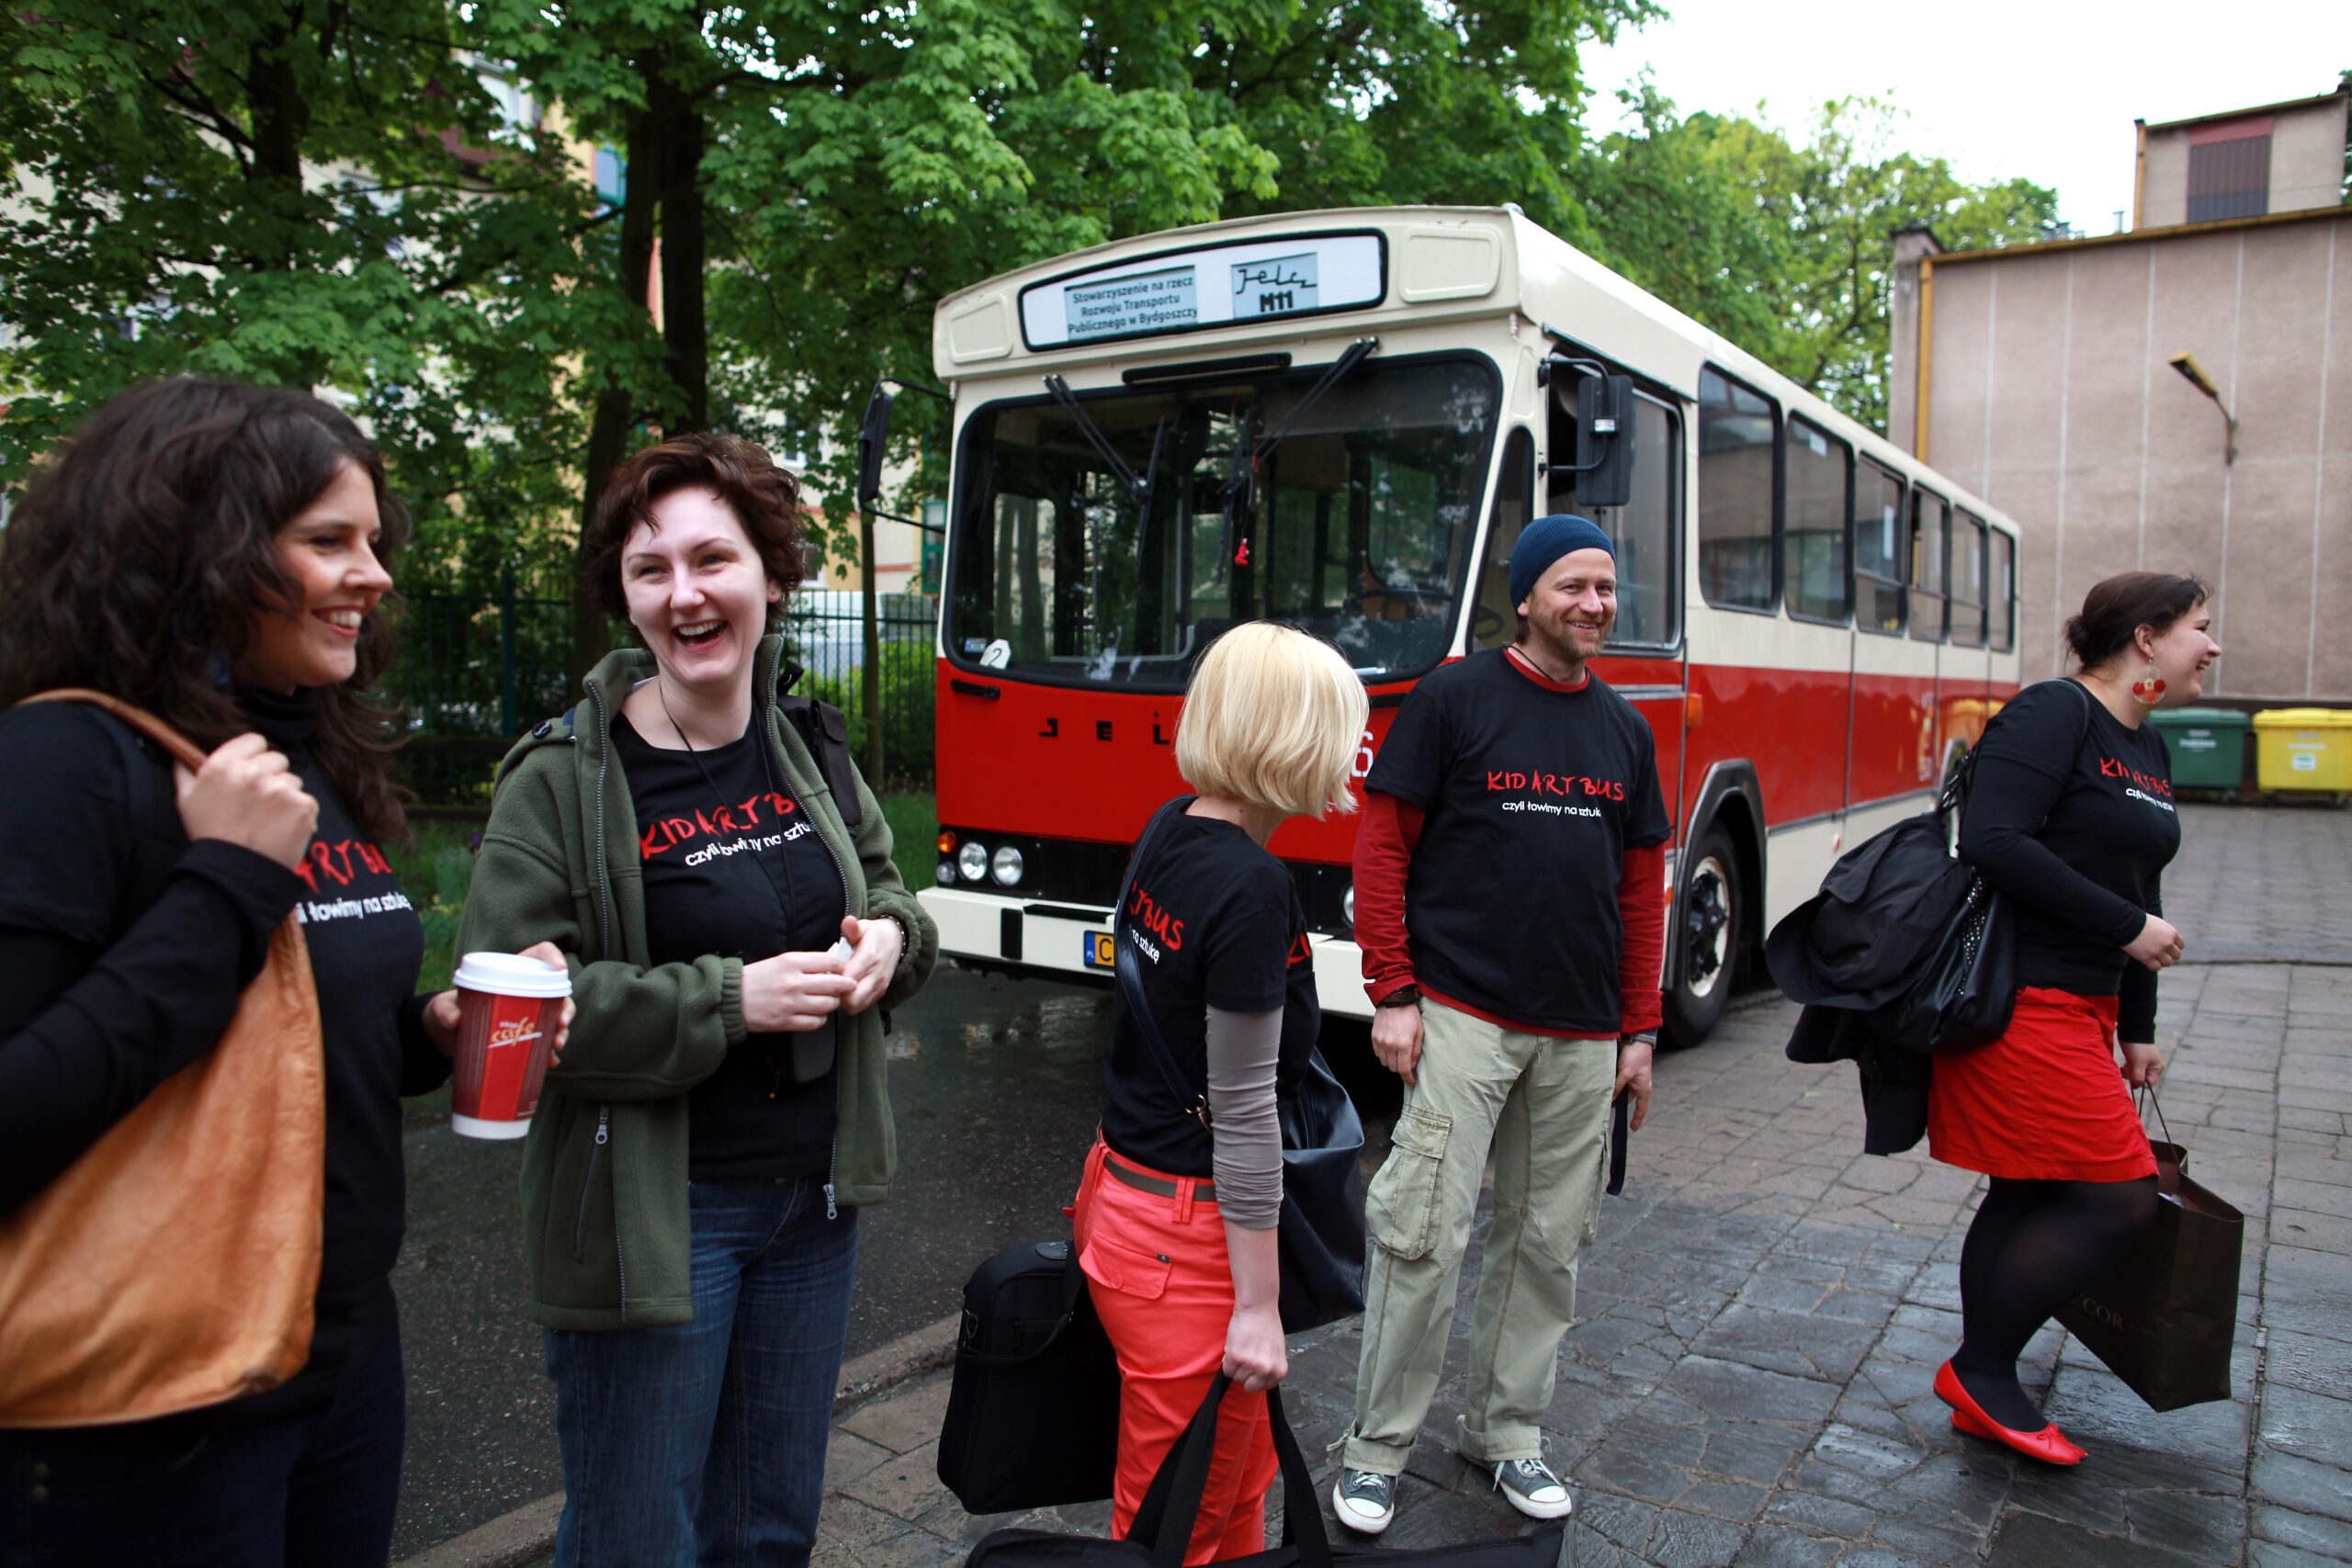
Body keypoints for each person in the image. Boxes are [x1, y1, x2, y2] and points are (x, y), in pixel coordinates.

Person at [0, 378, 569, 1565]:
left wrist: (428, 1030)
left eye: (373, 541)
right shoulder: (63, 760)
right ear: (196, 553)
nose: (376, 575)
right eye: (328, 541)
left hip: (339, 1354)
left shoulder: (303, 750)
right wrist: (223, 882)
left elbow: (283, 1036)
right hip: (149, 1401)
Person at [457, 433, 938, 1567]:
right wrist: (729, 1000)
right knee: (636, 1538)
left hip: (813, 1206)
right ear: (624, 598)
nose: (684, 594)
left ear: (773, 575)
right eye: (650, 569)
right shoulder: (559, 782)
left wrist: (887, 945)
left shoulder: (808, 744)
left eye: (712, 559)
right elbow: (510, 1010)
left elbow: (893, 900)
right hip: (658, 1214)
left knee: (768, 1532)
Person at [1333, 513, 1669, 1534]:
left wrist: (1640, 1030)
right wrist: (1393, 993)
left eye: (1604, 587)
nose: (1594, 605)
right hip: (1462, 1016)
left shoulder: (1624, 730)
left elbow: (1641, 891)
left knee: (1548, 1244)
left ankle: (1504, 1432)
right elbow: (1382, 847)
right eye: (1572, 586)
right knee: (1423, 1235)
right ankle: (1376, 1451)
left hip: (1582, 1033)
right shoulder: (1453, 698)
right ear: (1525, 598)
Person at [1071, 622, 1369, 1564]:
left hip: (1124, 1201)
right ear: (1295, 738)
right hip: (1187, 1244)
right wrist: (1258, 1306)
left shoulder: (1172, 827)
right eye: (1341, 729)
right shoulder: (1254, 887)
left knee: (1234, 1485)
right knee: (1177, 1524)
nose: (1352, 751)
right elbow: (1242, 1113)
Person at [1928, 571, 2214, 1465]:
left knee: (2027, 1188)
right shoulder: (2055, 712)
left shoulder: (2146, 741)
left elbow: (2141, 881)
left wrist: (2137, 1024)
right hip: (2021, 998)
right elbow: (1993, 839)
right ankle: (1980, 1370)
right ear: (2144, 637)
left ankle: (1983, 1378)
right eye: (2199, 628)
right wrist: (2127, 926)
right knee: (2118, 1198)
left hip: (2088, 1004)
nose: (2211, 646)